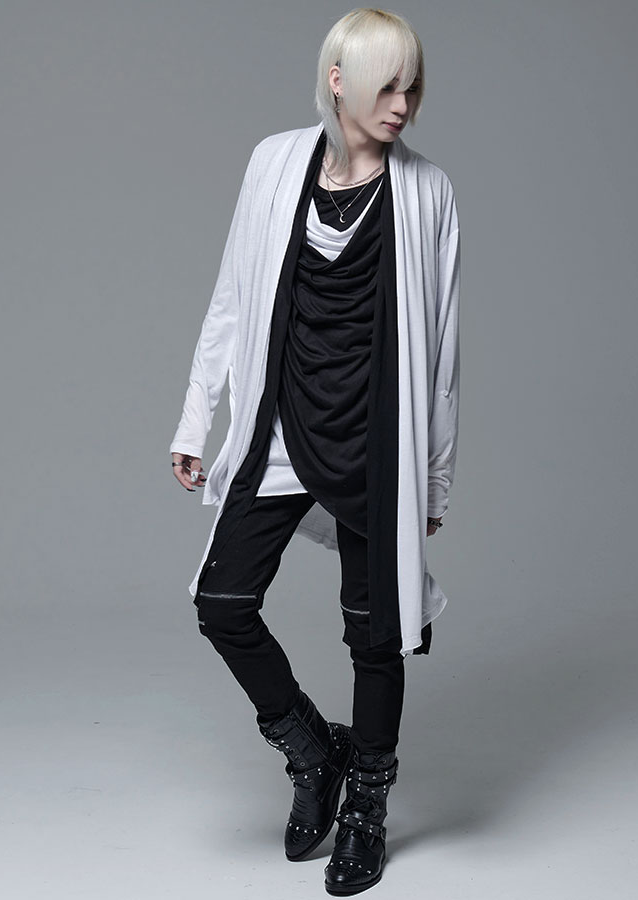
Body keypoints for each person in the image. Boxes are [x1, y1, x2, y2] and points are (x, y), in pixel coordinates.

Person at [169, 8, 460, 895]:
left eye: (413, 87)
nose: (403, 104)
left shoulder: (427, 193)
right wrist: (196, 420)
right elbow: (232, 293)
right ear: (339, 80)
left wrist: (434, 477)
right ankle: (309, 748)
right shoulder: (274, 163)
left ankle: (366, 804)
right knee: (223, 603)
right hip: (280, 423)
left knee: (376, 633)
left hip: (377, 441)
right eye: (387, 85)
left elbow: (442, 349)